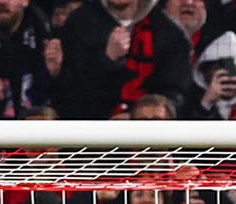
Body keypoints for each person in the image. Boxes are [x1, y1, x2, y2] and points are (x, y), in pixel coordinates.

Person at [55, 0, 192, 118]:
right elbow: (70, 93)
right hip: (93, 134)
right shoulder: (80, 23)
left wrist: (138, 116)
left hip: (149, 135)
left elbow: (175, 93)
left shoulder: (169, 32)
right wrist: (108, 60)